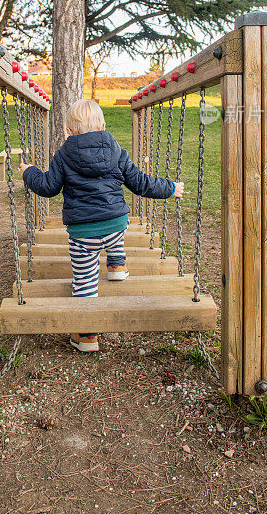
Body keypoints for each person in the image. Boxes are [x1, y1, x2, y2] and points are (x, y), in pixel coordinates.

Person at [19, 99, 184, 354]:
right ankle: (117, 265)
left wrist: (29, 171)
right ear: (104, 125)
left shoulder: (63, 154)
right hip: (117, 224)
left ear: (69, 132)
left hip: (83, 232)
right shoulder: (116, 151)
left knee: (84, 281)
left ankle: (87, 336)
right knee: (115, 229)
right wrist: (170, 188)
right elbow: (141, 183)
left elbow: (47, 187)